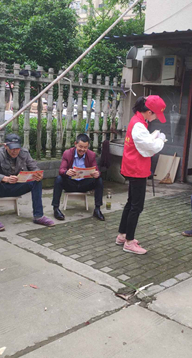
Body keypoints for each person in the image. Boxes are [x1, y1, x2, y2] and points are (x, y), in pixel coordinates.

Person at [116, 95, 166, 255]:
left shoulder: (138, 121)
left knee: (131, 203)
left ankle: (123, 235)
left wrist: (154, 137)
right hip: (136, 169)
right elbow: (149, 147)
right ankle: (129, 242)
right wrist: (161, 140)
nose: (156, 118)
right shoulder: (138, 125)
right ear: (149, 112)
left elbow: (144, 142)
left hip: (133, 167)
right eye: (156, 114)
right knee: (137, 206)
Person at [0, 133, 55, 231]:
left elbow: (34, 167)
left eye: (17, 148)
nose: (15, 151)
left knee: (37, 181)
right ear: (6, 146)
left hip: (18, 186)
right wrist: (5, 178)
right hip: (2, 188)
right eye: (12, 148)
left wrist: (38, 174)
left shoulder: (24, 153)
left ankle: (38, 216)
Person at [52, 133, 105, 221]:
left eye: (85, 147)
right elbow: (61, 170)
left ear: (88, 146)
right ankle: (56, 209)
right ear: (75, 144)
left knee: (99, 180)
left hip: (84, 183)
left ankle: (97, 209)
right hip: (71, 183)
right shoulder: (67, 153)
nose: (82, 149)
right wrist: (66, 172)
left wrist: (97, 174)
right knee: (59, 179)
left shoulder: (91, 155)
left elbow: (97, 170)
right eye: (80, 146)